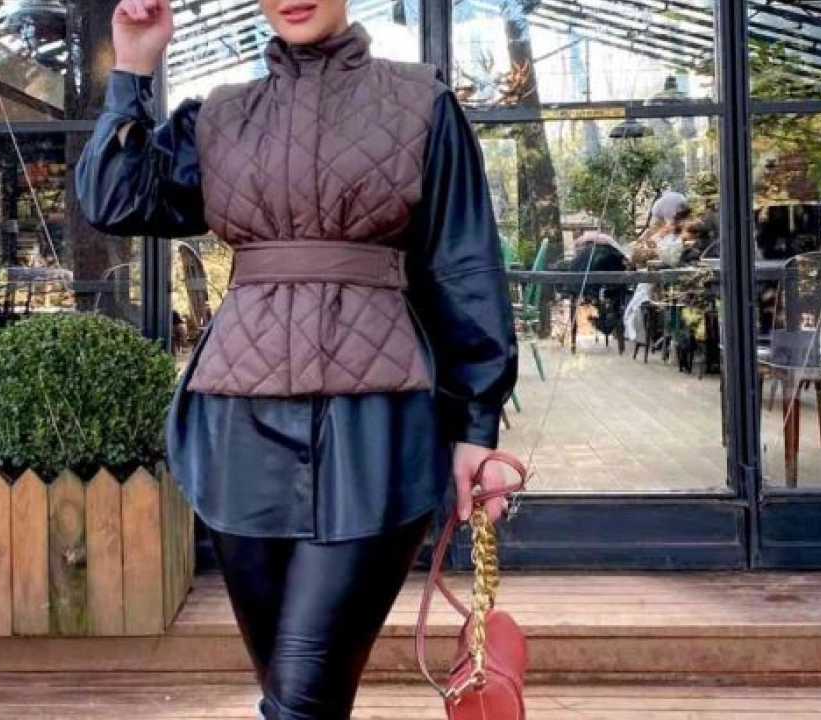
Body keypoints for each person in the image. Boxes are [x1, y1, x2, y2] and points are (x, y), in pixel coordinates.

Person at [75, 2, 519, 719]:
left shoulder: (421, 104)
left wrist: (477, 424)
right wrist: (132, 65)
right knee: (295, 690)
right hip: (239, 427)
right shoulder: (220, 115)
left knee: (302, 698)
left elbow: (463, 267)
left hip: (375, 426)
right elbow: (115, 198)